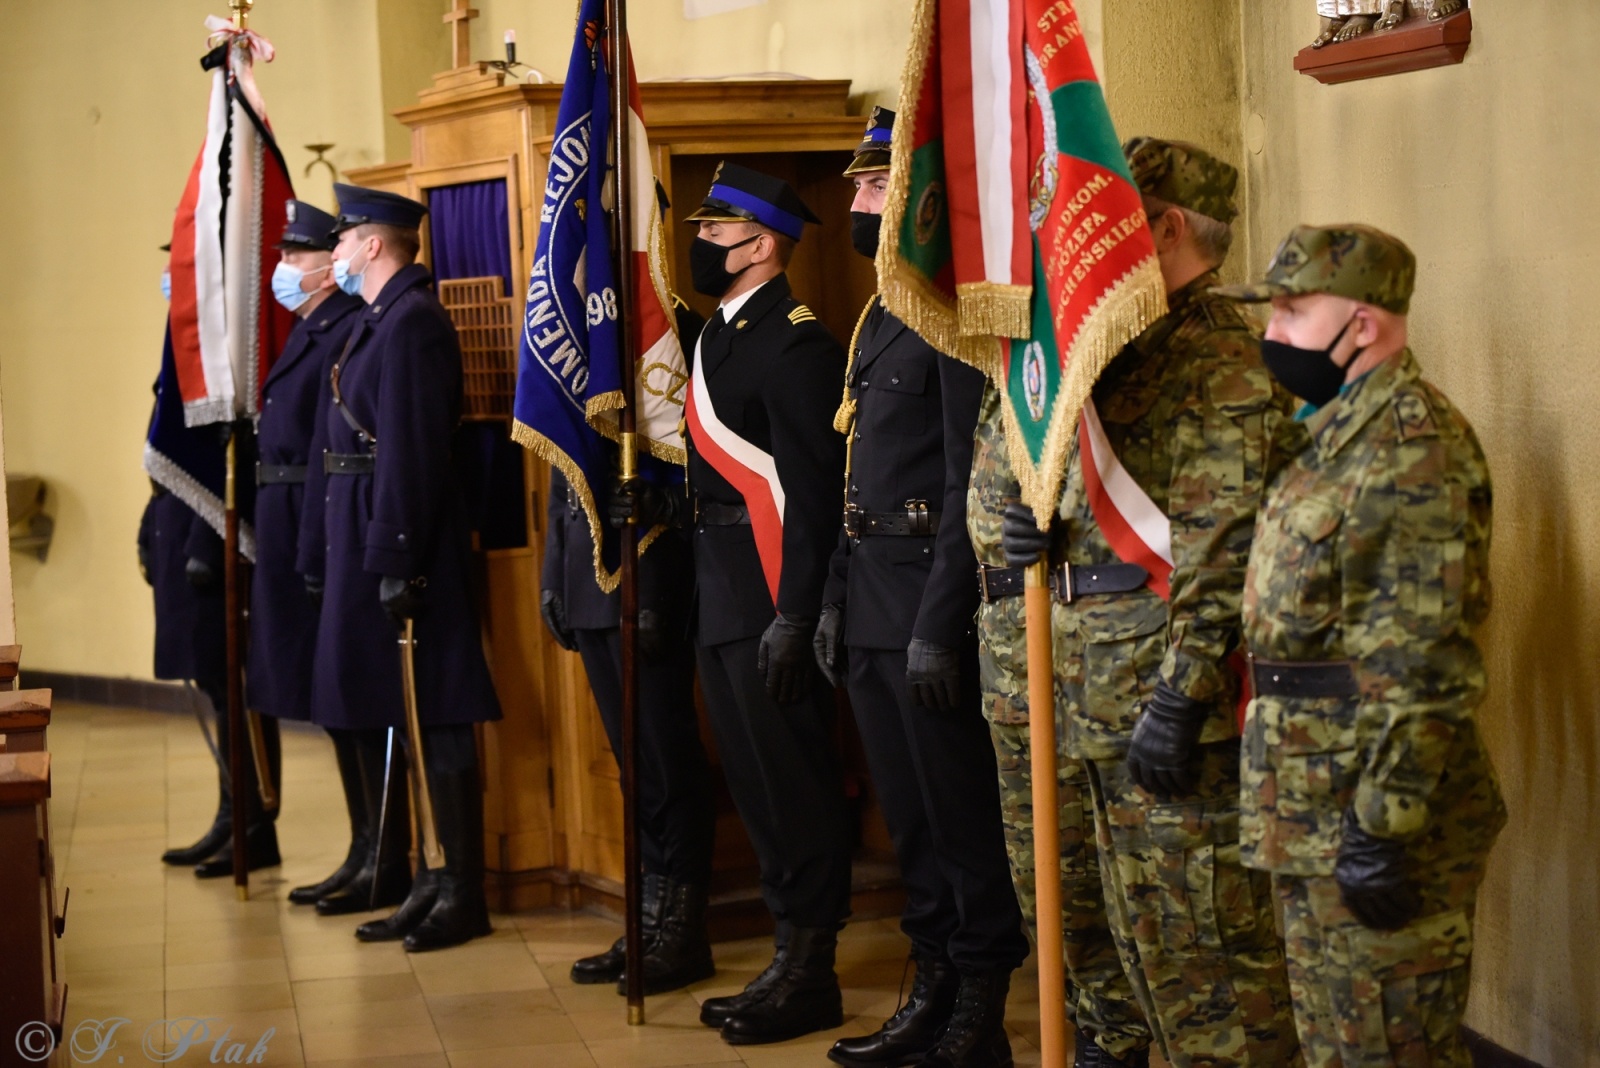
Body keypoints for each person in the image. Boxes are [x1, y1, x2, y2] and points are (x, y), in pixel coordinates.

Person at [1001, 139, 1301, 1067]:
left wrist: (1183, 693)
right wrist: (1032, 523)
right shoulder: (1112, 348)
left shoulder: (1225, 357)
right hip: (1088, 687)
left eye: (1105, 221)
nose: (1077, 243)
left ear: (1166, 228)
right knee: (1130, 949)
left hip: (1171, 699)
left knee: (1209, 956)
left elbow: (1225, 549)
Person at [1214, 224, 1505, 1067]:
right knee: (1337, 1046)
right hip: (1310, 805)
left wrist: (1383, 826)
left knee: (1387, 1049)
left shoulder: (1412, 449)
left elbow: (1426, 665)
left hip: (1372, 813)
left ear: (1364, 324)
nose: (1271, 333)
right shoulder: (1329, 434)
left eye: (1292, 314)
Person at [812, 108, 1027, 1068]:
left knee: (958, 820)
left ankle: (978, 1006)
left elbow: (963, 482)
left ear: (914, 195)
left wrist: (942, 624)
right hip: (871, 601)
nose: (857, 203)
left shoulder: (945, 317)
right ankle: (932, 985)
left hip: (928, 609)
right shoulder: (881, 316)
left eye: (871, 185)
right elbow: (854, 474)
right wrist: (833, 597)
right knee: (908, 823)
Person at [656, 162, 852, 1045]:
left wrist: (797, 614)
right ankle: (785, 951)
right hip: (720, 591)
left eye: (713, 231)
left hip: (772, 592)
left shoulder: (799, 345)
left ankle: (813, 968)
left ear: (761, 245)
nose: (699, 244)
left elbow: (812, 496)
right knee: (754, 781)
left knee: (794, 782)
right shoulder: (717, 339)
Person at [297, 183, 503, 952]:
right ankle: (427, 879)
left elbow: (412, 451)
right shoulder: (379, 319)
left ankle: (460, 893)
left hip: (409, 541)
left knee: (436, 713)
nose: (335, 251)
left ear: (374, 243)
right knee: (406, 714)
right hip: (372, 529)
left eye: (343, 239)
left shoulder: (414, 321)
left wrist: (395, 557)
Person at [967, 381, 1155, 1068]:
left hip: (1088, 661)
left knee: (1105, 882)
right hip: (1010, 654)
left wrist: (1069, 527)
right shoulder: (1004, 382)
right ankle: (1090, 1028)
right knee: (1042, 882)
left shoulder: (1098, 370)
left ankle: (1112, 1041)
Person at [541, 297, 718, 996]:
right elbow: (561, 459)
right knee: (632, 766)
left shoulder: (671, 327)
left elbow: (696, 461)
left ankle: (683, 926)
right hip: (587, 581)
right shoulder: (578, 322)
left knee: (667, 763)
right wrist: (554, 576)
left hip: (650, 573)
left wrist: (663, 574)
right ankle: (647, 916)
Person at [249, 199, 368, 908]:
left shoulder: (344, 327)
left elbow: (328, 442)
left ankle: (375, 848)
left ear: (331, 262)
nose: (284, 268)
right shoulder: (308, 328)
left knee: (344, 689)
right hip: (289, 513)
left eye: (296, 256)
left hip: (314, 515)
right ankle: (363, 847)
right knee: (325, 693)